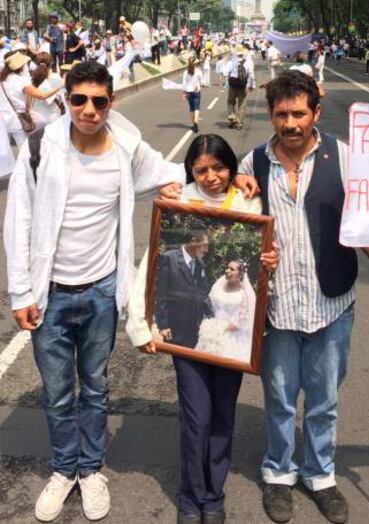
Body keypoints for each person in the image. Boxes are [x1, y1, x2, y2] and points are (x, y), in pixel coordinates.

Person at [3, 61, 185, 523]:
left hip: (102, 290)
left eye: (98, 101)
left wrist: (231, 173)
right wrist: (21, 292)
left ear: (111, 102)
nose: (88, 109)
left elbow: (171, 172)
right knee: (59, 392)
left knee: (98, 387)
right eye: (78, 99)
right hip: (51, 294)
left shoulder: (125, 146)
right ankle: (63, 469)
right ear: (66, 99)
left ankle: (90, 470)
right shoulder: (43, 146)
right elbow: (19, 218)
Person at [238, 70, 369, 524]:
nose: (291, 123)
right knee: (278, 399)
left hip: (331, 306)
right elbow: (228, 231)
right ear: (272, 115)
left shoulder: (349, 158)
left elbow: (365, 228)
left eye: (299, 113)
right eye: (282, 114)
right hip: (277, 309)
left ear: (315, 112)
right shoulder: (251, 165)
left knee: (323, 401)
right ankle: (279, 474)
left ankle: (319, 475)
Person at [126, 133, 277, 524]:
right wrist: (142, 325)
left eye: (219, 167)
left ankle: (214, 495)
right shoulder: (178, 201)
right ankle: (191, 497)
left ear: (232, 166)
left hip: (231, 340)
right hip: (187, 340)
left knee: (223, 414)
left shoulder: (249, 201)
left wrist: (269, 263)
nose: (211, 177)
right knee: (197, 416)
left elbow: (261, 265)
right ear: (190, 171)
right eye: (201, 170)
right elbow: (152, 265)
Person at [197, 260, 256, 363]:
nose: (227, 271)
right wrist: (210, 325)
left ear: (240, 274)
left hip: (232, 335)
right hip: (212, 330)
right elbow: (209, 304)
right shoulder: (219, 285)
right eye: (227, 268)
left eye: (232, 269)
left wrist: (221, 329)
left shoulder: (243, 294)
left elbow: (243, 320)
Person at [0, 51, 63, 145]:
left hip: (5, 116)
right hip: (20, 118)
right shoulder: (21, 81)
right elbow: (42, 95)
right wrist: (60, 86)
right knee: (25, 146)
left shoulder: (4, 79)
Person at [31, 52, 65, 128]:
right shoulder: (56, 77)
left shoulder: (33, 78)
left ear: (36, 63)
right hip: (53, 115)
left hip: (37, 115)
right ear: (51, 63)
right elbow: (62, 95)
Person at [227, 47, 254, 130]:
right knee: (242, 104)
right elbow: (251, 75)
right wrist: (250, 85)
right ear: (243, 54)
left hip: (232, 86)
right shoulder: (248, 62)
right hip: (243, 86)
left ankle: (232, 117)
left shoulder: (231, 62)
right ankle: (239, 122)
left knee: (230, 101)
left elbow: (226, 72)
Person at [182, 57, 203, 133]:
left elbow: (184, 83)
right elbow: (202, 80)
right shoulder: (198, 71)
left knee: (191, 108)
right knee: (196, 108)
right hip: (196, 91)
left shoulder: (185, 72)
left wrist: (184, 93)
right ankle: (196, 123)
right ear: (195, 62)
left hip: (188, 91)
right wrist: (198, 85)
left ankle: (193, 124)